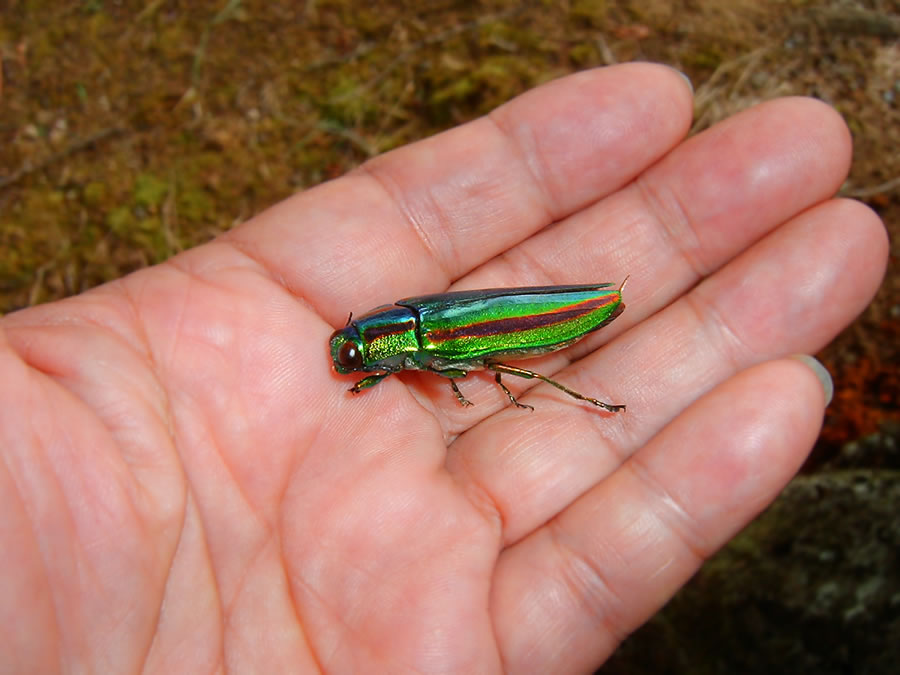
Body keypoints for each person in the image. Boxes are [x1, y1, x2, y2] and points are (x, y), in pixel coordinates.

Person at [0, 63, 888, 673]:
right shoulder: (407, 345)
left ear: (380, 339)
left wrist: (404, 367)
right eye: (360, 348)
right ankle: (577, 388)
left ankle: (581, 389)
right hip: (468, 331)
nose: (360, 353)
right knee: (504, 367)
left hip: (514, 321)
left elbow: (419, 350)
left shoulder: (415, 345)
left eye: (362, 349)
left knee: (515, 364)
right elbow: (408, 352)